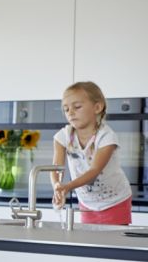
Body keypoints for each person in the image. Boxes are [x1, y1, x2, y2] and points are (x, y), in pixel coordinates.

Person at [51, 81, 133, 225]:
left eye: (77, 107)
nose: (70, 112)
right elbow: (56, 168)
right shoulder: (63, 137)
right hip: (87, 204)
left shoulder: (106, 137)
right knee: (89, 238)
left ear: (97, 107)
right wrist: (57, 187)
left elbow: (94, 171)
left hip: (115, 201)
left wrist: (67, 187)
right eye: (66, 109)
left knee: (114, 238)